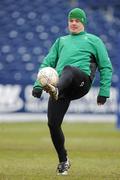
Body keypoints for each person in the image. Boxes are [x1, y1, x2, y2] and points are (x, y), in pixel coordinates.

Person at [32, 8, 113, 175]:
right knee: (53, 124)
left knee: (69, 69)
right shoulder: (61, 41)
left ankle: (55, 90)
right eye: (71, 20)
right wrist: (38, 85)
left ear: (83, 22)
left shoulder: (94, 40)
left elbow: (106, 66)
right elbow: (47, 63)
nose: (74, 23)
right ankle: (63, 160)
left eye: (77, 20)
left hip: (80, 82)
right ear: (68, 22)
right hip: (61, 86)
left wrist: (104, 91)